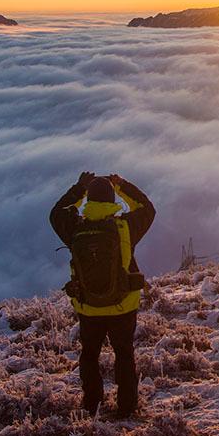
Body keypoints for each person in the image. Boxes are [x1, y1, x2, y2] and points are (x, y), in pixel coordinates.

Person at [50, 171, 156, 418]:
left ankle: (92, 404)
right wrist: (121, 185)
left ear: (89, 201)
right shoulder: (125, 227)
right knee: (124, 354)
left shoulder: (74, 226)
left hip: (88, 307)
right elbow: (147, 208)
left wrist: (79, 188)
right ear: (110, 200)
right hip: (123, 305)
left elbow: (57, 213)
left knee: (89, 355)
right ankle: (127, 407)